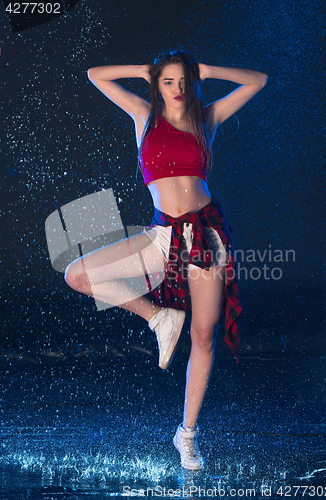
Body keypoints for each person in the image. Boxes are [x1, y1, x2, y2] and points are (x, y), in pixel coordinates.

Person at [64, 52, 267, 470]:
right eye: (168, 82)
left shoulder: (205, 119)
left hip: (207, 233)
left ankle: (186, 435)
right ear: (157, 87)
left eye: (183, 82)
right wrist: (143, 71)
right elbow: (95, 74)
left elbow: (257, 80)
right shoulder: (143, 116)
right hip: (161, 237)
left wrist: (206, 71)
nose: (177, 90)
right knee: (78, 274)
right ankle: (158, 317)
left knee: (205, 334)